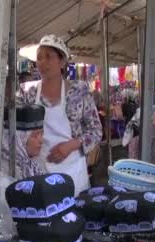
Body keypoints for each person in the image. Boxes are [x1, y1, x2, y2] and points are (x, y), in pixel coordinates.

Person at [18, 35, 102, 195]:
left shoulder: (78, 90)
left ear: (62, 61)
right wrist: (27, 143)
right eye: (39, 58)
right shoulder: (28, 93)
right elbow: (17, 130)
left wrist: (71, 145)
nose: (42, 62)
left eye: (49, 57)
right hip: (40, 171)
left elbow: (96, 130)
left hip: (73, 172)